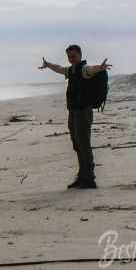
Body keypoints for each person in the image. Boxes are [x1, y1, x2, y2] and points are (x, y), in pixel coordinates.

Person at [38, 44, 111, 189]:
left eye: (74, 56)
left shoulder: (84, 69)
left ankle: (89, 179)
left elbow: (92, 69)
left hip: (83, 111)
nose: (71, 59)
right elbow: (59, 68)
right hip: (73, 111)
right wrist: (48, 65)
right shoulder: (71, 70)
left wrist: (100, 68)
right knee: (77, 144)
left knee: (83, 144)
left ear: (80, 55)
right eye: (69, 57)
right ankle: (82, 176)